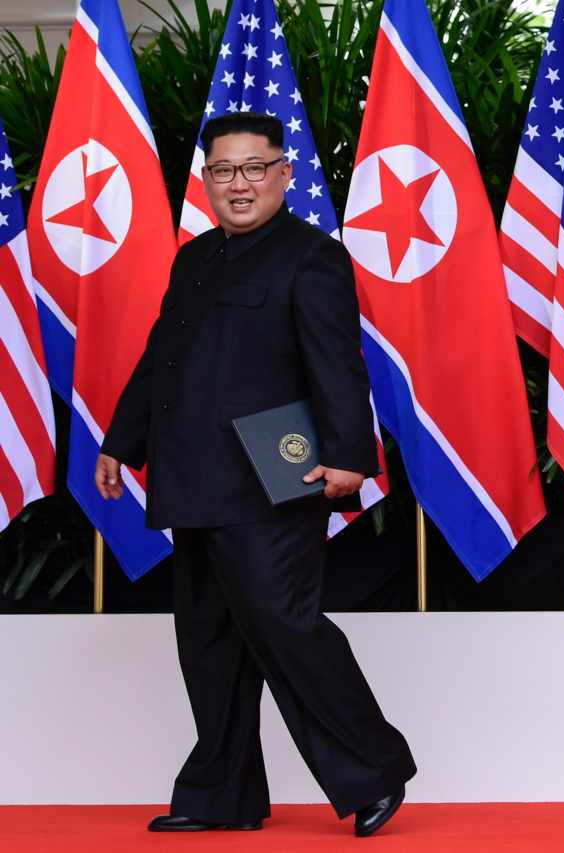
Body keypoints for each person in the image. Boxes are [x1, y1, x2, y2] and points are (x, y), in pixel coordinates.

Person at [96, 112, 415, 838]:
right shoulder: (196, 257)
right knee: (209, 641)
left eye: (252, 168)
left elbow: (337, 362)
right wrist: (122, 439)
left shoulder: (312, 256)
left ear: (283, 173)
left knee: (284, 624)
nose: (237, 185)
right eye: (222, 171)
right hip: (194, 480)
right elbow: (162, 359)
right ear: (206, 180)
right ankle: (219, 794)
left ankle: (374, 767)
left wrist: (348, 455)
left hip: (278, 478)